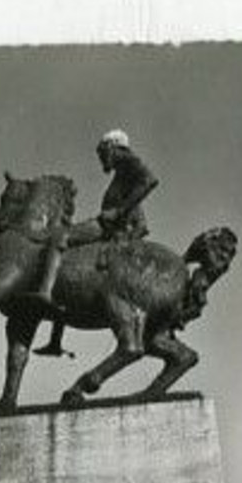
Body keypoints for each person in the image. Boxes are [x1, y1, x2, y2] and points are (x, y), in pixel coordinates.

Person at [33, 129, 158, 357]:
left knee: (59, 237)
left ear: (112, 147)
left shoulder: (127, 160)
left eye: (102, 153)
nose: (101, 159)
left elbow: (150, 180)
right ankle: (54, 341)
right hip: (112, 228)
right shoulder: (124, 176)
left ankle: (43, 293)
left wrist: (118, 211)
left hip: (106, 226)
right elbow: (142, 222)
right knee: (67, 262)